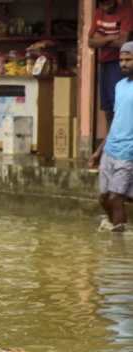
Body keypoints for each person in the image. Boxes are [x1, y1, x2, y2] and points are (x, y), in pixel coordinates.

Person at [89, 41, 133, 232]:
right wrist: (98, 151)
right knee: (103, 198)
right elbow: (115, 121)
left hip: (128, 152)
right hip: (110, 150)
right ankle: (117, 229)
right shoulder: (120, 86)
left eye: (128, 60)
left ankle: (118, 246)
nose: (123, 64)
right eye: (121, 60)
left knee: (116, 198)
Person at [88, 0, 133, 131]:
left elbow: (123, 42)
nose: (105, 7)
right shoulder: (98, 12)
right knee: (107, 107)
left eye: (108, 4)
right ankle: (111, 139)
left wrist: (100, 38)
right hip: (104, 63)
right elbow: (90, 42)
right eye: (102, 4)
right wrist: (110, 38)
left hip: (120, 63)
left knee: (120, 105)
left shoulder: (126, 10)